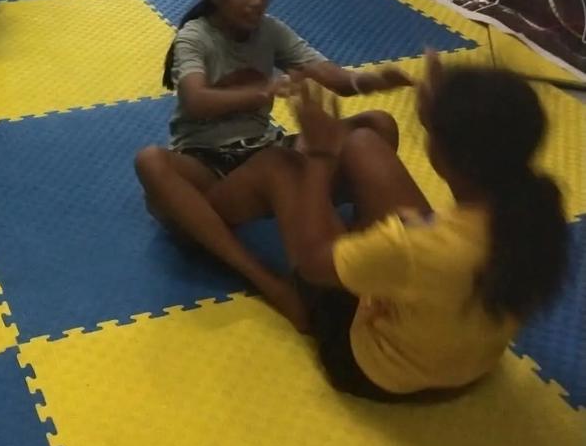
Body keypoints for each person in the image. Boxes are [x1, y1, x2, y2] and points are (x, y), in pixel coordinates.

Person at [200, 57, 567, 400]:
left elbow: (312, 264)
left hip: (381, 371)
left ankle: (207, 208)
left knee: (281, 167)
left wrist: (319, 156)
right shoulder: (535, 210)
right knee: (361, 142)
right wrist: (437, 113)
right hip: (469, 365)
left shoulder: (417, 244)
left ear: (451, 156)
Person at [134, 0, 413, 331]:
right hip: (210, 166)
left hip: (266, 149)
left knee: (377, 125)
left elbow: (336, 79)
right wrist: (265, 89)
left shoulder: (272, 31)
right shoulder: (195, 37)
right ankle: (265, 281)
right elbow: (195, 99)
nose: (255, 1)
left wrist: (373, 79)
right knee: (149, 161)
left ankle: (363, 247)